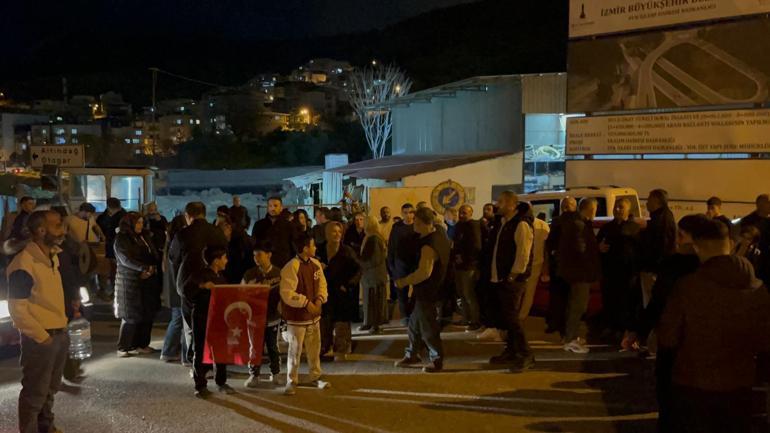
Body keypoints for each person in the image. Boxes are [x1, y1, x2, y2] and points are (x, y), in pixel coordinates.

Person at [658, 218, 770, 433]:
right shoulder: (758, 289)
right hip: (740, 384)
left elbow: (668, 337)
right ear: (731, 244)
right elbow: (764, 339)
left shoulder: (688, 287)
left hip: (693, 383)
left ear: (697, 248)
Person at [636, 214, 707, 432]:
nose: (676, 239)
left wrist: (640, 331)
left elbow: (658, 301)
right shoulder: (713, 267)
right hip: (704, 347)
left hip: (674, 341)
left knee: (670, 397)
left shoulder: (674, 265)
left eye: (680, 235)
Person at [8, 211, 69, 433]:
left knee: (50, 388)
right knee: (35, 392)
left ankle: (46, 427)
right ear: (42, 230)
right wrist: (42, 337)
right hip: (41, 337)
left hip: (58, 331)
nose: (63, 230)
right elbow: (17, 309)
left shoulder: (53, 257)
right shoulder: (23, 263)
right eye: (57, 225)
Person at [169, 202, 228, 368]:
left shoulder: (182, 234)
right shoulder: (216, 232)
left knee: (191, 325)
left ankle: (195, 361)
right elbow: (224, 255)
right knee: (213, 323)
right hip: (213, 281)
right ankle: (212, 360)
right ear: (205, 213)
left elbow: (174, 258)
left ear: (188, 216)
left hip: (189, 282)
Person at [393, 207, 450, 373]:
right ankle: (412, 353)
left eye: (417, 223)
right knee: (414, 324)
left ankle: (436, 359)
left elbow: (424, 273)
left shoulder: (429, 245)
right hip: (429, 290)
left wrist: (403, 282)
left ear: (427, 223)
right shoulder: (439, 235)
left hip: (428, 290)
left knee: (428, 327)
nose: (414, 226)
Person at [486, 192, 536, 370]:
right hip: (500, 278)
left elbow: (523, 253)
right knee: (506, 319)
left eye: (500, 202)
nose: (497, 205)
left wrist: (513, 275)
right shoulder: (503, 223)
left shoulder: (521, 224)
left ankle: (526, 353)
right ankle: (512, 350)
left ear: (511, 204)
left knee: (513, 319)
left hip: (512, 280)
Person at [280, 234, 328, 395]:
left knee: (315, 348)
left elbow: (322, 284)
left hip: (314, 317)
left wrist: (319, 300)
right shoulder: (291, 267)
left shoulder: (316, 264)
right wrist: (307, 303)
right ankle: (291, 380)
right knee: (295, 350)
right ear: (305, 248)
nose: (315, 248)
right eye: (313, 245)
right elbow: (287, 293)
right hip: (297, 318)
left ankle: (316, 376)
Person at [188, 247, 234, 398]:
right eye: (224, 258)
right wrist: (202, 286)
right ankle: (200, 385)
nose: (226, 261)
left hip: (218, 318)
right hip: (202, 317)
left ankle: (221, 382)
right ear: (216, 260)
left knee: (221, 349)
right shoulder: (199, 275)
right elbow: (185, 290)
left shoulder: (221, 277)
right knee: (200, 350)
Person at [114, 212, 162, 357]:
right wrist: (143, 268)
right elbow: (125, 259)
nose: (140, 225)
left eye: (142, 222)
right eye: (138, 222)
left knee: (147, 313)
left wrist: (151, 269)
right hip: (129, 280)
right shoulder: (122, 238)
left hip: (148, 279)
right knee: (130, 315)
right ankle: (124, 346)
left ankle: (142, 343)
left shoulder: (144, 236)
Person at [559, 197, 601, 354]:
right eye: (595, 209)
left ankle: (570, 336)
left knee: (575, 306)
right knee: (578, 306)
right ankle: (570, 340)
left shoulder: (577, 223)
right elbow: (581, 250)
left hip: (576, 272)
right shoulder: (579, 225)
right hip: (580, 273)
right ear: (590, 209)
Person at [595, 198, 641, 341]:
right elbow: (596, 244)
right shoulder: (607, 228)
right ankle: (610, 327)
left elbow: (640, 250)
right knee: (610, 301)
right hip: (609, 272)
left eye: (621, 207)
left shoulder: (634, 228)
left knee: (626, 302)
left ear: (628, 210)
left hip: (627, 273)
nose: (617, 209)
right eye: (616, 207)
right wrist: (599, 248)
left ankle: (623, 329)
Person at [317, 221, 361, 361]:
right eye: (334, 231)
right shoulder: (319, 250)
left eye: (339, 232)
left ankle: (342, 349)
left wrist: (348, 285)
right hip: (324, 292)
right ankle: (325, 348)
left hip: (341, 293)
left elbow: (358, 269)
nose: (337, 234)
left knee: (341, 322)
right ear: (327, 233)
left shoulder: (346, 251)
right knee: (325, 321)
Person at [243, 241, 282, 387]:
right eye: (254, 255)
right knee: (255, 347)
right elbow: (241, 293)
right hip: (254, 318)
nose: (256, 258)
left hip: (272, 317)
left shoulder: (279, 273)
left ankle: (276, 373)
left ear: (269, 255)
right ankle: (254, 375)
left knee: (273, 346)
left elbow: (285, 293)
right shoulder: (249, 274)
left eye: (259, 255)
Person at [544, 196, 577, 337]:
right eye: (564, 205)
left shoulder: (577, 221)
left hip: (570, 266)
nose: (566, 208)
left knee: (569, 297)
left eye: (569, 205)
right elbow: (550, 242)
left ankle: (564, 326)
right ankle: (555, 323)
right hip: (557, 265)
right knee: (556, 296)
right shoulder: (557, 221)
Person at [639, 189, 677, 308]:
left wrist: (653, 267)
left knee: (651, 298)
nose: (646, 203)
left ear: (656, 200)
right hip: (658, 267)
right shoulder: (664, 217)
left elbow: (661, 245)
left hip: (654, 268)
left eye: (649, 199)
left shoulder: (660, 220)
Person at [160, 215, 189, 363]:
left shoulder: (170, 243)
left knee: (177, 319)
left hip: (172, 289)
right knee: (178, 319)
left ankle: (171, 351)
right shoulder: (178, 243)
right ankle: (168, 351)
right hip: (177, 289)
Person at [518, 202, 551, 321]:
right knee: (524, 292)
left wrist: (545, 268)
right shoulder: (540, 225)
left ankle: (519, 317)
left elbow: (546, 248)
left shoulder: (541, 225)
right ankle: (518, 317)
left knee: (525, 292)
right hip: (527, 263)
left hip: (533, 263)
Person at [387, 203, 418, 324]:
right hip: (400, 265)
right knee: (401, 292)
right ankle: (405, 316)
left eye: (411, 212)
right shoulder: (397, 227)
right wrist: (391, 266)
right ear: (402, 213)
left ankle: (412, 313)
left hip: (415, 264)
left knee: (417, 291)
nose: (408, 215)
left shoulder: (417, 226)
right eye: (405, 213)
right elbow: (391, 247)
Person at [452, 204, 482, 331]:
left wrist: (464, 257)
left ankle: (475, 320)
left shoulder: (473, 226)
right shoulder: (459, 226)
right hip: (458, 265)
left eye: (464, 212)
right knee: (461, 294)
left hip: (469, 266)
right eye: (460, 212)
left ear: (470, 213)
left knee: (468, 294)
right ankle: (465, 318)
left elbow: (476, 246)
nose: (461, 215)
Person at [359, 215, 388, 334]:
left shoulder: (374, 239)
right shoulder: (373, 237)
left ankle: (375, 325)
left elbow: (374, 259)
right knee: (371, 300)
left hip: (373, 275)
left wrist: (361, 264)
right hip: (372, 275)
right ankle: (369, 322)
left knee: (374, 301)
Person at [252, 197, 296, 268]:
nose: (273, 208)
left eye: (275, 206)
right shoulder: (259, 225)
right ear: (267, 208)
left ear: (281, 208)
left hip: (284, 264)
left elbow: (294, 246)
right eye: (270, 206)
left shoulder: (289, 225)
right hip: (264, 265)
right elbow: (254, 245)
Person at [96, 197, 127, 299]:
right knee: (109, 270)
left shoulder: (122, 218)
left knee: (115, 271)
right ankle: (111, 291)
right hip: (110, 247)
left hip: (116, 248)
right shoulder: (107, 216)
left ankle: (115, 292)